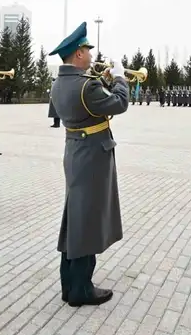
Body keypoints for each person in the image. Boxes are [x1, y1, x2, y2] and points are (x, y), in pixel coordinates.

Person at [49, 21, 129, 307]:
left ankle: (69, 283)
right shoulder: (86, 85)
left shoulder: (61, 83)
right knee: (87, 219)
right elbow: (119, 104)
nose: (91, 55)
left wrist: (104, 82)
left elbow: (93, 106)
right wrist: (120, 78)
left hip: (76, 152)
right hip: (92, 156)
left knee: (76, 216)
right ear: (78, 55)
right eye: (87, 50)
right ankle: (81, 289)